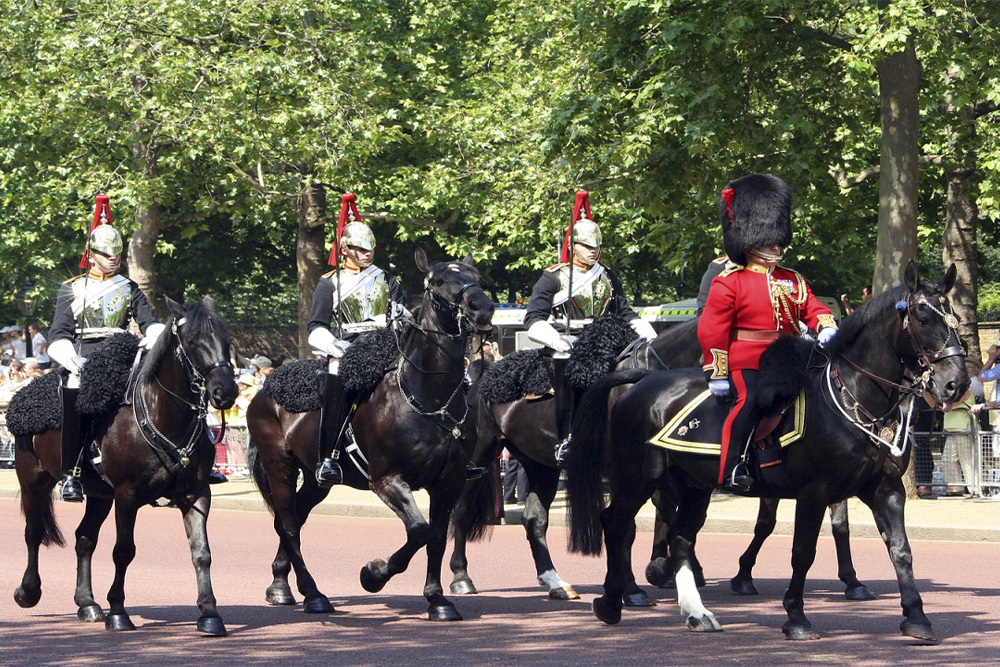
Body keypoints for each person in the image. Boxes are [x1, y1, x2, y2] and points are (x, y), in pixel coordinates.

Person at [698, 174, 838, 492]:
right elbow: (712, 329)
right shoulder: (730, 281)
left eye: (777, 239)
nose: (775, 245)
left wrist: (826, 326)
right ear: (749, 241)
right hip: (746, 360)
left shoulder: (792, 279)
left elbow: (812, 308)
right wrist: (717, 371)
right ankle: (731, 467)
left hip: (790, 357)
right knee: (747, 402)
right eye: (767, 240)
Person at [47, 194, 166, 503]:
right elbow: (58, 334)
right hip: (82, 358)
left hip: (122, 355)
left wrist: (156, 336)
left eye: (116, 253)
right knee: (75, 388)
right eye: (105, 253)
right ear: (92, 253)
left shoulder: (128, 287)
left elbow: (148, 321)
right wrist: (72, 360)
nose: (113, 258)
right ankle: (70, 474)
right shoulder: (72, 288)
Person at [523, 190, 657, 464]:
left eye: (597, 246)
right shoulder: (553, 277)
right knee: (568, 376)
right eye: (587, 246)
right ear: (573, 246)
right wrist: (555, 339)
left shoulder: (607, 275)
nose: (594, 250)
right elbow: (533, 318)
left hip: (606, 338)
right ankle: (566, 438)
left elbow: (625, 311)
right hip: (566, 339)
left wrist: (646, 330)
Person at [306, 192, 407, 487]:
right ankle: (328, 459)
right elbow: (315, 326)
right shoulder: (329, 283)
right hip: (348, 348)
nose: (367, 254)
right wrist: (335, 346)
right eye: (360, 249)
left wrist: (402, 315)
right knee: (336, 383)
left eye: (370, 249)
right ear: (346, 249)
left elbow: (404, 315)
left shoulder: (387, 279)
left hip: (388, 345)